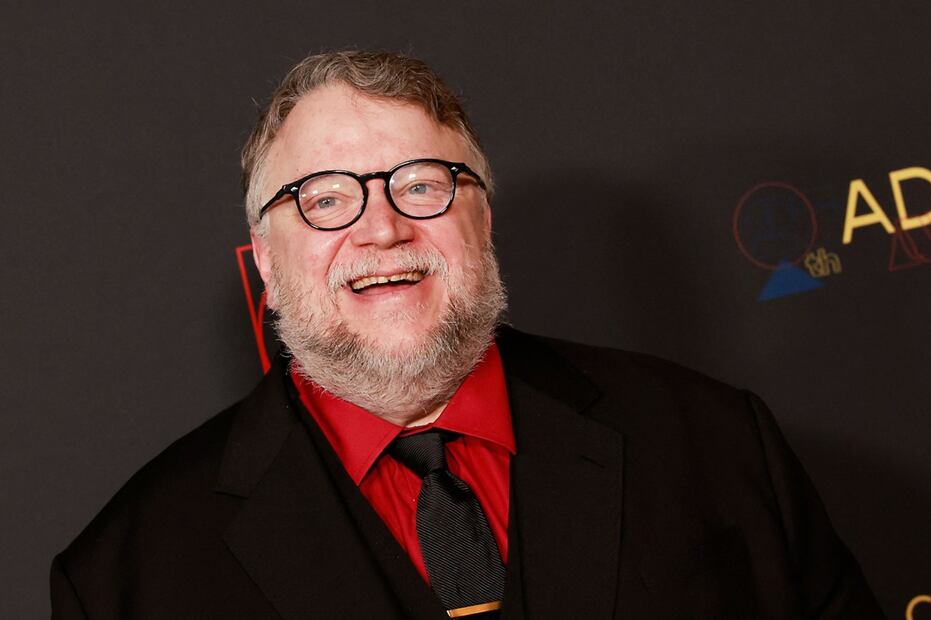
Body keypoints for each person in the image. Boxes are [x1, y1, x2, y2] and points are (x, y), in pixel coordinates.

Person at [51, 50, 883, 619]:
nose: (382, 230)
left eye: (422, 184)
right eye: (326, 199)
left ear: (482, 218)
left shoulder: (716, 443)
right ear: (266, 261)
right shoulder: (128, 575)